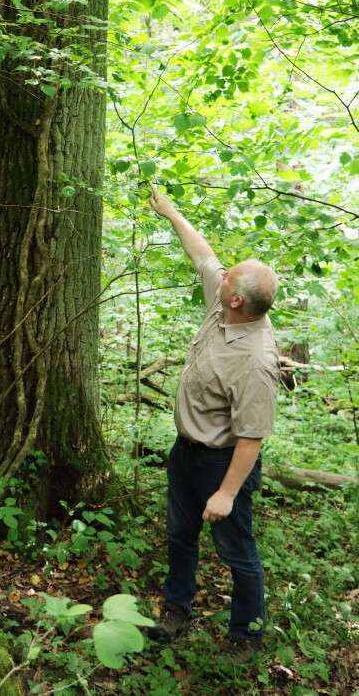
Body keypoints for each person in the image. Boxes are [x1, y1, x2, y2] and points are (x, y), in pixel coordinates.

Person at [148, 183, 280, 658]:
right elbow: (204, 256)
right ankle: (176, 610)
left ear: (238, 300)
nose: (222, 276)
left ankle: (247, 636)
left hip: (223, 464)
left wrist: (225, 493)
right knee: (179, 536)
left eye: (230, 278)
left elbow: (252, 437)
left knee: (236, 551)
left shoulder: (255, 361)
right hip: (186, 454)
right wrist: (171, 212)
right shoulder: (223, 308)